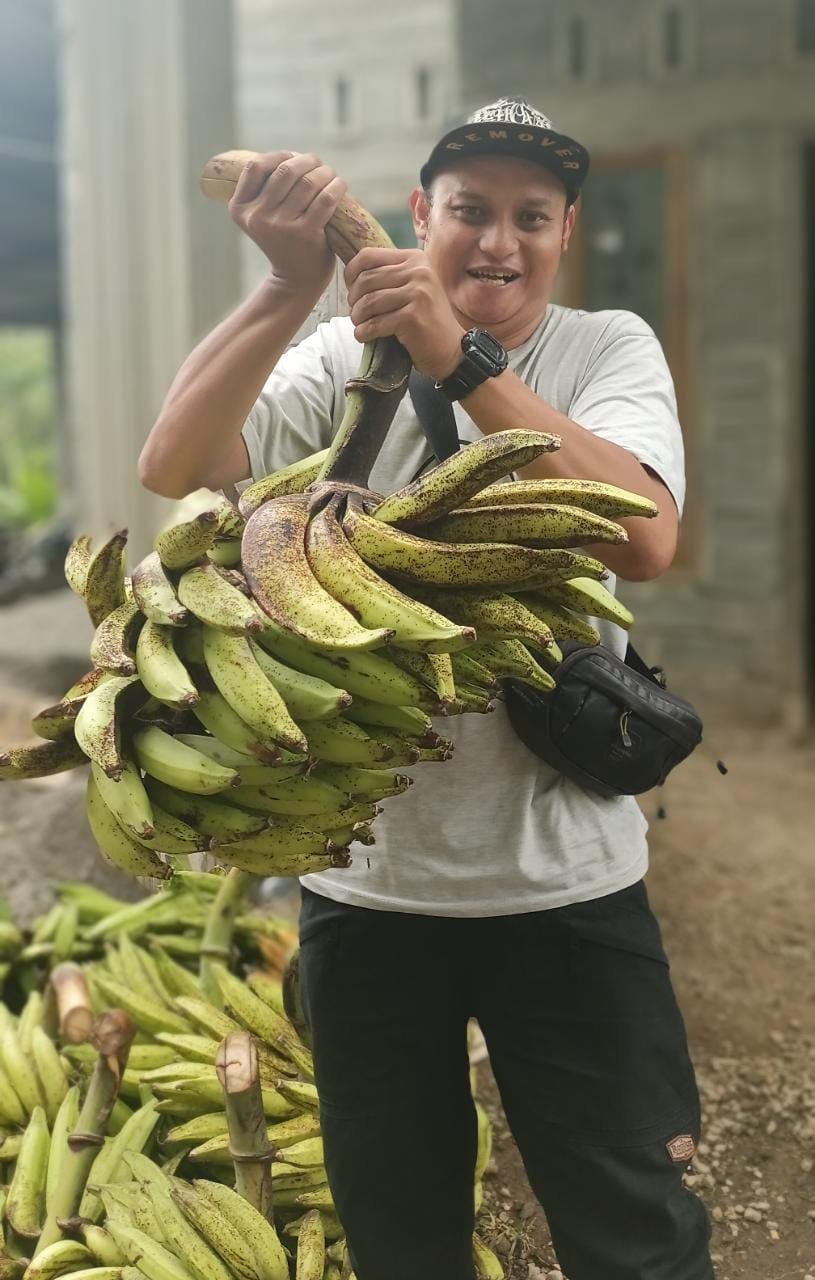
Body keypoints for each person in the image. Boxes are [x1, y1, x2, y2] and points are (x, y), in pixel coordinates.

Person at [140, 96, 713, 1280]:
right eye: (468, 211)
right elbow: (176, 466)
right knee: (400, 1232)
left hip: (563, 886)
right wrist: (285, 287)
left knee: (629, 1227)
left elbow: (644, 536)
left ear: (564, 234)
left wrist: (459, 359)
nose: (496, 241)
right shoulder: (341, 352)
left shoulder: (606, 348)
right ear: (417, 216)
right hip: (370, 895)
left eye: (528, 217)